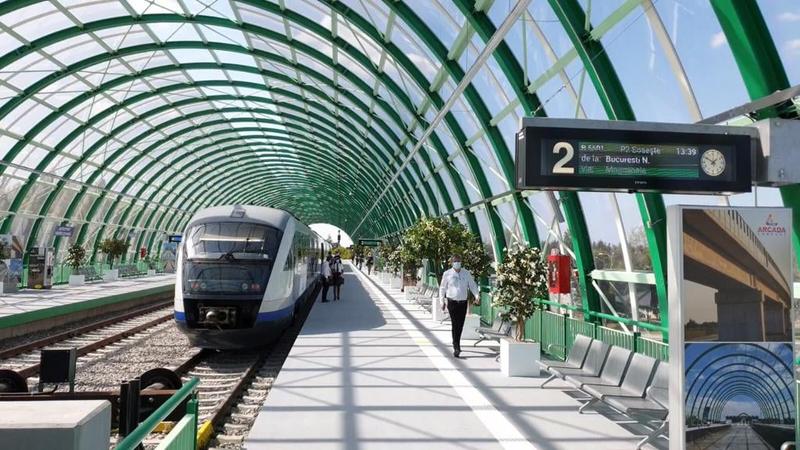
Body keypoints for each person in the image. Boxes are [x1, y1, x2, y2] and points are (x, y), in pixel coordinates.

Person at [438, 255, 479, 358]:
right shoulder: (447, 274)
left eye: (458, 261)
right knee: (454, 323)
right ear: (452, 262)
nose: (457, 263)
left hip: (463, 302)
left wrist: (477, 295)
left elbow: (472, 285)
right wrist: (441, 301)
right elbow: (442, 288)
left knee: (460, 325)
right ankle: (456, 346)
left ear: (461, 262)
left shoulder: (466, 273)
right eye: (455, 261)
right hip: (452, 302)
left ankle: (456, 343)